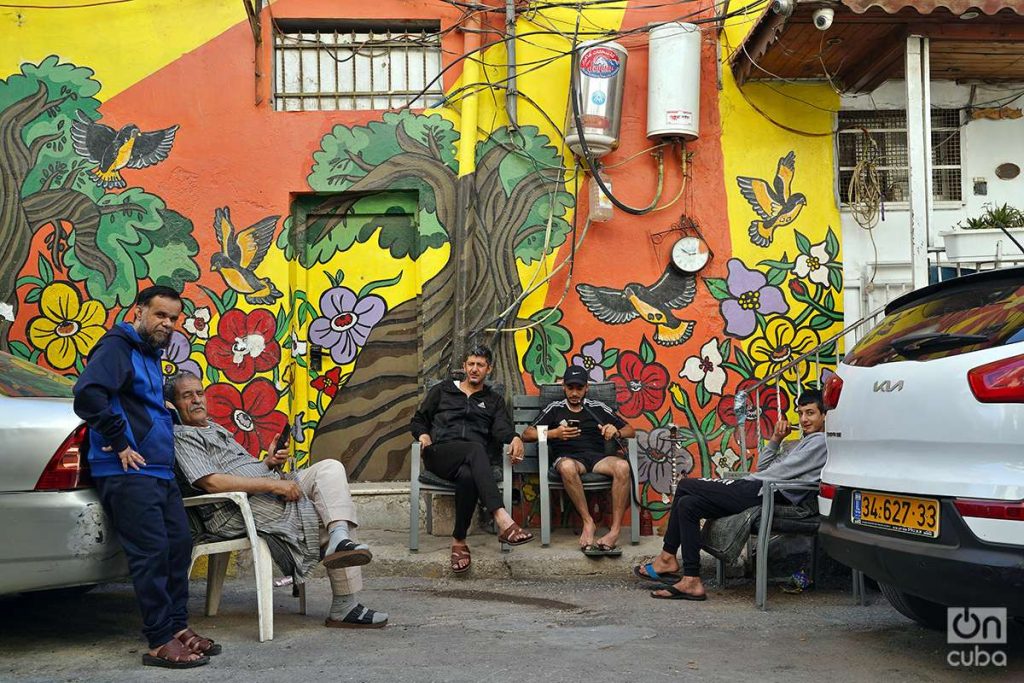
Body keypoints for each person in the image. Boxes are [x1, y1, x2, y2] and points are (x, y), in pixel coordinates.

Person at [166, 371, 388, 629]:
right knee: (325, 513)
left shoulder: (213, 426)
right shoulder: (182, 435)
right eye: (187, 396)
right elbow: (211, 482)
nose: (196, 400)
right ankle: (344, 604)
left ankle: (338, 538)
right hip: (234, 508)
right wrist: (273, 483)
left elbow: (239, 468)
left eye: (199, 393)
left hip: (265, 487)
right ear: (174, 404)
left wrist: (267, 463)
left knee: (330, 469)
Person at [73, 285, 215, 669]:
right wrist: (119, 440)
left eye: (173, 318)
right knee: (150, 553)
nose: (167, 324)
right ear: (139, 311)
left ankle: (177, 628)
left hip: (157, 470)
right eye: (160, 315)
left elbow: (139, 404)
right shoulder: (117, 347)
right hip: (127, 470)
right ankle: (158, 640)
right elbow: (87, 395)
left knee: (178, 546)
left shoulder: (150, 354)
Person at [636, 390, 829, 601]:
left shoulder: (820, 442)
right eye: (801, 413)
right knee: (687, 505)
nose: (803, 420)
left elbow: (776, 473)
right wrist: (775, 439)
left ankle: (667, 557)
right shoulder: (802, 442)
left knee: (685, 485)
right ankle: (691, 579)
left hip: (767, 492)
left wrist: (743, 482)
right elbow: (763, 467)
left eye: (810, 413)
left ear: (825, 415)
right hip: (760, 487)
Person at [409, 344, 534, 574]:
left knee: (468, 475)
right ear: (464, 366)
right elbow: (418, 420)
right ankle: (503, 520)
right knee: (475, 449)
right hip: (440, 455)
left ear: (489, 369)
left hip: (472, 464)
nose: (474, 369)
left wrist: (515, 438)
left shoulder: (494, 400)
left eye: (480, 365)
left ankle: (459, 542)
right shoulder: (443, 391)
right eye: (471, 364)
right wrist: (423, 434)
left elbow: (502, 430)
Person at [521, 365, 635, 556]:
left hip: (597, 458)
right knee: (566, 466)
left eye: (579, 388)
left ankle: (614, 531)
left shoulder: (597, 407)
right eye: (570, 388)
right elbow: (527, 434)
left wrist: (616, 431)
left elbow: (630, 431)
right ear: (564, 387)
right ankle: (588, 521)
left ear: (586, 388)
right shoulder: (555, 409)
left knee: (623, 466)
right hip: (569, 459)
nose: (574, 393)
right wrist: (554, 433)